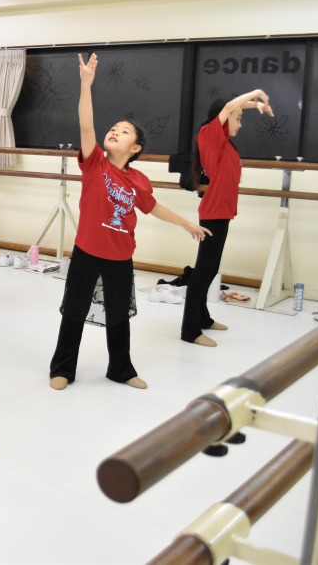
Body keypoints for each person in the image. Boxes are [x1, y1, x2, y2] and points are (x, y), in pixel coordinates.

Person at [48, 54, 209, 391]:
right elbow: (87, 126)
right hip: (87, 250)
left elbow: (153, 208)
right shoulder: (95, 163)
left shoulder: (138, 180)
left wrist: (186, 223)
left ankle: (120, 369)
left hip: (120, 255)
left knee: (119, 315)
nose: (114, 132)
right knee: (74, 311)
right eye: (113, 128)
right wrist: (86, 85)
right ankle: (62, 368)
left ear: (134, 148)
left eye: (123, 132)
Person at [180, 90, 273, 347]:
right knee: (202, 272)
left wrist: (255, 106)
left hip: (222, 213)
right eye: (238, 118)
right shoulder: (209, 135)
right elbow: (230, 105)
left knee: (210, 270)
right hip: (213, 213)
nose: (240, 125)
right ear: (223, 118)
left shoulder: (224, 143)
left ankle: (202, 318)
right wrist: (257, 95)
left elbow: (232, 107)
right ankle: (189, 330)